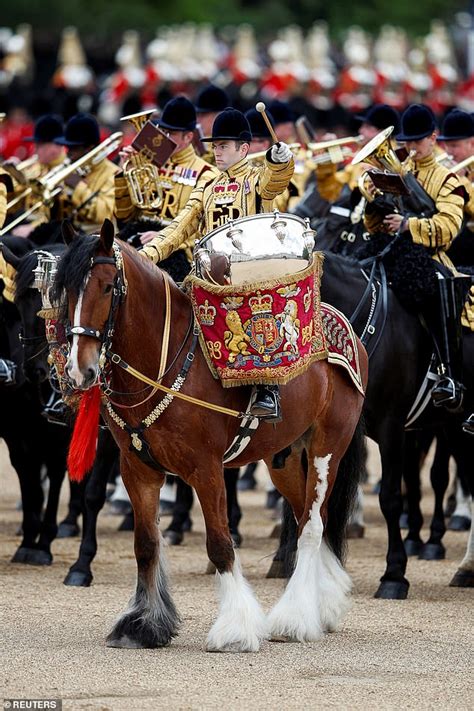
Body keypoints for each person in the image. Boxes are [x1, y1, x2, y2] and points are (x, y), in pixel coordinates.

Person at [141, 107, 295, 420]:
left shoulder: (255, 180)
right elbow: (181, 226)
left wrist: (281, 162)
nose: (216, 152)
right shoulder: (208, 186)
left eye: (223, 146)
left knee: (258, 313)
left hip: (250, 273)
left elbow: (275, 184)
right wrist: (147, 257)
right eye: (214, 146)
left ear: (244, 149)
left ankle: (267, 388)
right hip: (208, 273)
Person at [364, 103, 471, 412]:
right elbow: (374, 225)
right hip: (393, 251)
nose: (410, 147)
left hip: (430, 256)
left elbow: (449, 227)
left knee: (438, 290)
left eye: (417, 140)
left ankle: (450, 375)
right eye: (407, 141)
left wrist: (409, 225)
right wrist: (376, 208)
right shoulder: (397, 172)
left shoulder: (448, 179)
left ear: (433, 138)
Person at [115, 96, 218, 264]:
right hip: (137, 239)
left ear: (188, 137)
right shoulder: (148, 163)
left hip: (176, 253)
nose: (163, 137)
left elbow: (208, 231)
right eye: (162, 131)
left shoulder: (207, 173)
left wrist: (167, 239)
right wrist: (124, 172)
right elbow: (124, 217)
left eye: (171, 133)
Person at [54, 113, 118, 233]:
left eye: (74, 148)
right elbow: (60, 216)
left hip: (97, 239)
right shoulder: (73, 169)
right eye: (68, 148)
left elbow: (103, 216)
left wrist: (78, 186)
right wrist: (57, 198)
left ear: (89, 149)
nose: (68, 153)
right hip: (72, 233)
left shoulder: (113, 173)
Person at [12, 114, 65, 237]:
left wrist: (32, 227)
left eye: (39, 145)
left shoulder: (66, 170)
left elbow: (56, 216)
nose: (34, 150)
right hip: (28, 221)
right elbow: (18, 200)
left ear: (55, 146)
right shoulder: (36, 166)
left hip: (47, 231)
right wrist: (12, 176)